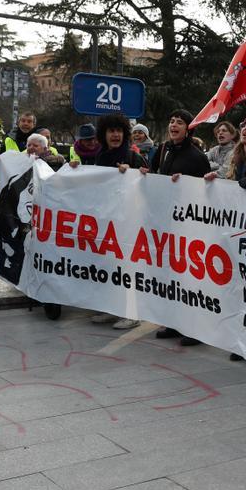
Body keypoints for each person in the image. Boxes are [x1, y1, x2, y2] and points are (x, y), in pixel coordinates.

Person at [142, 108, 210, 347]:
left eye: (179, 122)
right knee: (170, 275)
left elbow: (206, 191)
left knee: (190, 277)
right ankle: (173, 320)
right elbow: (158, 177)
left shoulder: (196, 156)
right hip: (167, 222)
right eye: (171, 121)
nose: (173, 125)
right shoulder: (164, 150)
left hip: (189, 225)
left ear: (188, 128)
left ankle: (195, 328)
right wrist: (146, 176)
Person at [84, 113, 147, 329]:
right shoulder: (101, 157)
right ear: (104, 134)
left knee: (127, 267)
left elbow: (148, 184)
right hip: (107, 221)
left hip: (128, 222)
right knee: (109, 266)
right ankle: (112, 309)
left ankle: (132, 313)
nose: (115, 135)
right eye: (111, 131)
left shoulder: (133, 156)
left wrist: (132, 174)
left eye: (119, 130)